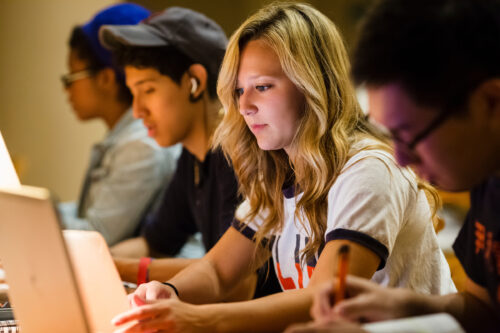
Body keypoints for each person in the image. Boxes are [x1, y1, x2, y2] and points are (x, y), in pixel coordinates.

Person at [109, 3, 456, 332]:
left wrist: (199, 321)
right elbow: (218, 272)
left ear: (312, 86)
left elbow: (322, 299)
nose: (243, 105)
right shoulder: (279, 173)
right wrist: (169, 292)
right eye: (239, 90)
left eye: (262, 87)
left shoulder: (368, 170)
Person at [288, 0, 500, 332]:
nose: (400, 159)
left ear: (490, 102)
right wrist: (403, 304)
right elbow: (485, 310)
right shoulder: (488, 180)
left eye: (409, 135)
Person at [99, 7, 281, 299]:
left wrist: (117, 268)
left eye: (148, 90)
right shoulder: (192, 158)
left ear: (194, 82)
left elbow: (235, 278)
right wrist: (96, 260)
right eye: (133, 93)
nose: (137, 110)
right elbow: (153, 243)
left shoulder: (241, 154)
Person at [58, 3, 181, 246]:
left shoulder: (143, 144)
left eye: (71, 76)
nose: (67, 88)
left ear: (106, 78)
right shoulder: (128, 137)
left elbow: (97, 236)